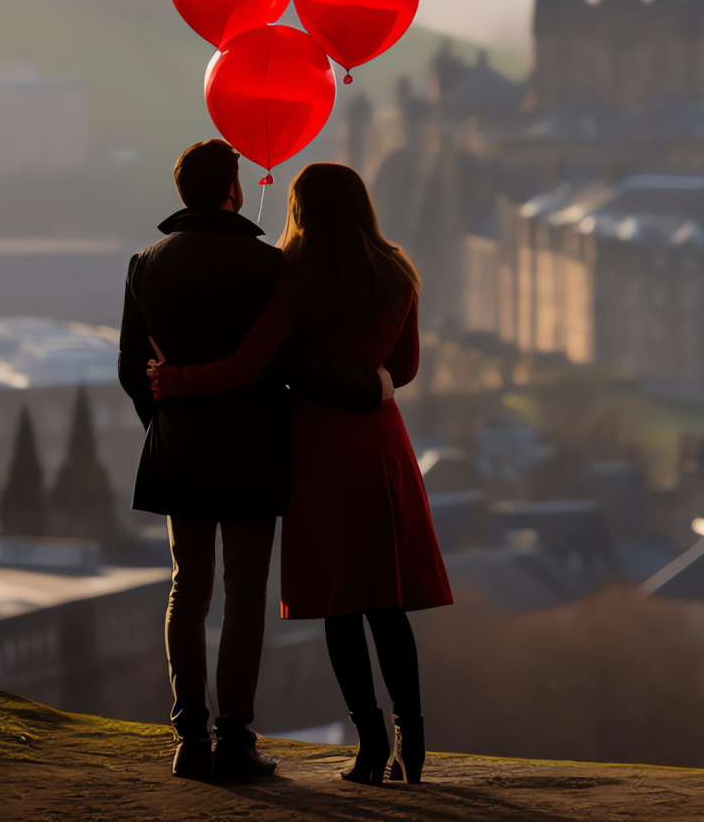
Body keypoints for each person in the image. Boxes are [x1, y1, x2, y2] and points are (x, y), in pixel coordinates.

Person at [151, 161, 453, 785]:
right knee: (387, 603)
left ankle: (369, 746)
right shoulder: (397, 272)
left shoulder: (295, 271)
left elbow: (253, 361)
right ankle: (412, 742)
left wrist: (177, 380)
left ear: (302, 207)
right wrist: (372, 384)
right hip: (381, 443)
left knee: (341, 604)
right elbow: (407, 368)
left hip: (318, 446)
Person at [117, 141, 385, 782]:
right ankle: (235, 735)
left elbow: (132, 371)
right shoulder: (269, 267)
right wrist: (367, 387)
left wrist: (169, 420)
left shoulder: (145, 264)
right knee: (243, 592)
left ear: (184, 193)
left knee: (188, 589)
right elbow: (289, 362)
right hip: (252, 449)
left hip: (179, 449)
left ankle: (188, 736)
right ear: (233, 190)